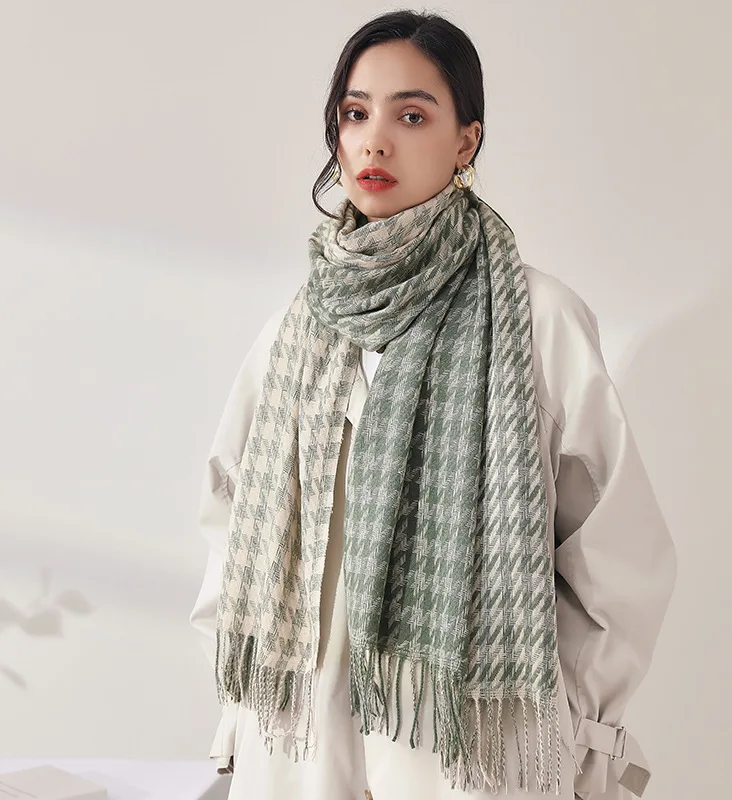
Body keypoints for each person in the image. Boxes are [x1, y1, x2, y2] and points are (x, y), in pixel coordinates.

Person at [188, 10, 677, 800]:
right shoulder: (295, 332)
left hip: (471, 751)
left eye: (411, 116)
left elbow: (616, 555)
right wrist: (244, 720)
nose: (375, 141)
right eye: (356, 113)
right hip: (299, 750)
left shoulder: (535, 319)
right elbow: (231, 523)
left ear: (465, 142)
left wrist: (574, 727)